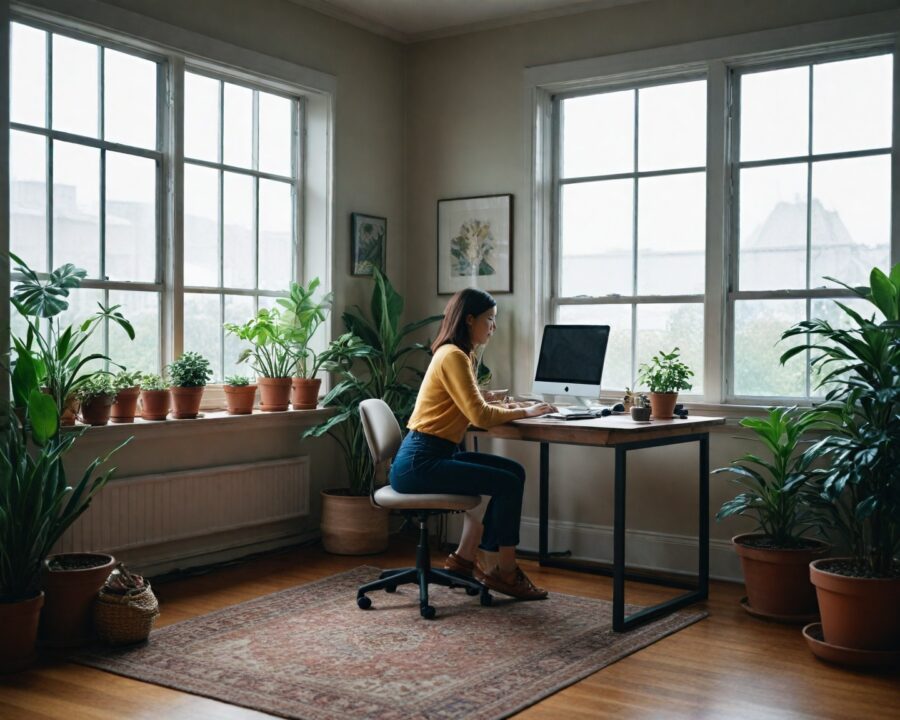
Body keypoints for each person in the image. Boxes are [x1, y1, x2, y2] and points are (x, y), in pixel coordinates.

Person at [389, 288, 556, 600]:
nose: (493, 327)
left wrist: (495, 402)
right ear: (469, 320)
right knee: (506, 483)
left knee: (514, 472)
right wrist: (526, 410)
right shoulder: (453, 355)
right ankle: (504, 571)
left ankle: (466, 560)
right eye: (489, 320)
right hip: (420, 462)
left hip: (434, 453)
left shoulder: (458, 355)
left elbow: (468, 405)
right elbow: (478, 414)